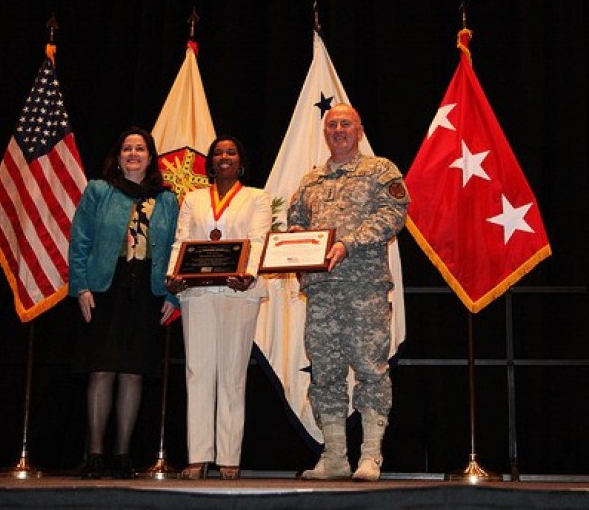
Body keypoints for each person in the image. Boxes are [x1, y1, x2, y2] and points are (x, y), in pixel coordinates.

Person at [287, 103, 409, 481]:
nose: (338, 129)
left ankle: (371, 455)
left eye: (346, 124)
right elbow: (295, 221)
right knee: (325, 372)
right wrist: (294, 243)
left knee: (371, 370)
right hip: (321, 290)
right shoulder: (310, 180)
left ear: (359, 130)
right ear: (326, 132)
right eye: (332, 124)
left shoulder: (380, 170)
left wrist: (349, 244)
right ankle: (336, 456)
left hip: (364, 287)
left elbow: (394, 213)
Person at [68, 126, 179, 479]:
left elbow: (178, 249)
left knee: (133, 372)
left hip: (147, 290)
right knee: (101, 370)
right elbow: (80, 240)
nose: (133, 154)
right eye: (127, 148)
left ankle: (122, 455)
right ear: (118, 156)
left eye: (140, 149)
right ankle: (96, 454)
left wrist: (172, 294)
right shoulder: (99, 190)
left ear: (150, 156)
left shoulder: (166, 199)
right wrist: (81, 286)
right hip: (105, 288)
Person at [166, 135, 271, 480]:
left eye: (231, 152)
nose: (223, 157)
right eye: (218, 153)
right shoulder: (193, 199)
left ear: (240, 161)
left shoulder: (258, 197)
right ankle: (197, 457)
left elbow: (258, 240)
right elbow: (182, 240)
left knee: (232, 374)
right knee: (197, 372)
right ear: (210, 163)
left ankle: (229, 458)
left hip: (239, 293)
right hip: (196, 293)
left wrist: (248, 274)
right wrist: (173, 275)